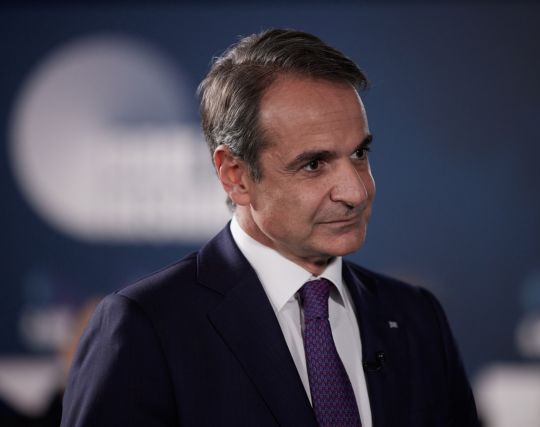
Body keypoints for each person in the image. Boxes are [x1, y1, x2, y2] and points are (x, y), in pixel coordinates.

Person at [61, 29, 479, 426]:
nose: (355, 191)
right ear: (236, 176)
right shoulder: (147, 327)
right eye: (314, 164)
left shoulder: (416, 317)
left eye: (359, 154)